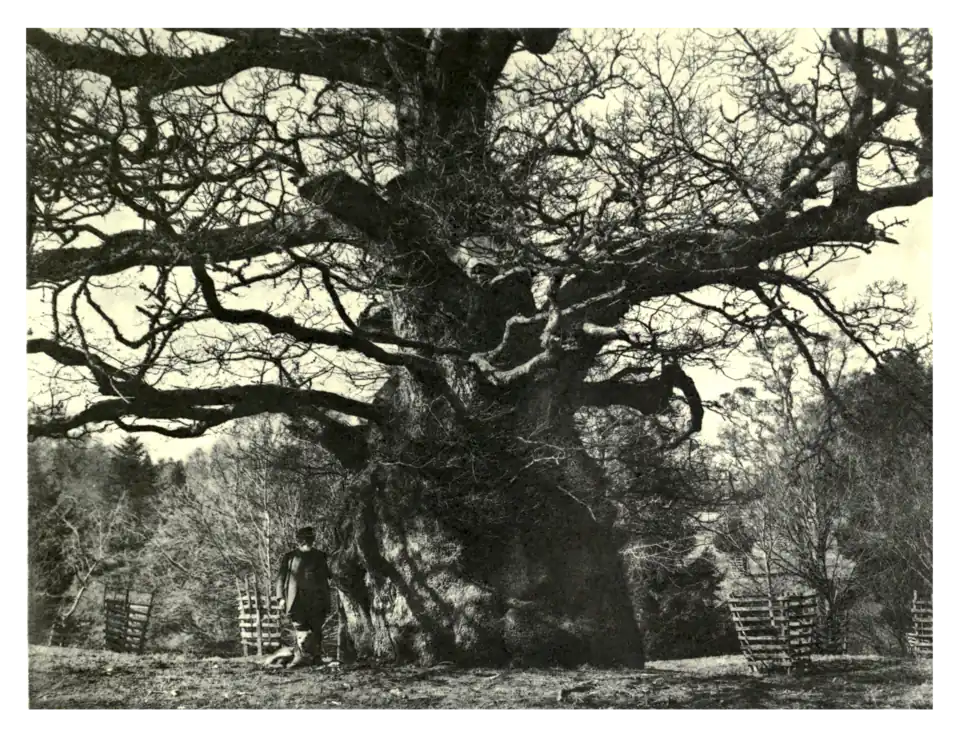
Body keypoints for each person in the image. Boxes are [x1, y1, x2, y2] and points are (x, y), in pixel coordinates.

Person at [274, 526, 331, 669]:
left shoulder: (320, 556)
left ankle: (316, 658)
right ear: (298, 540)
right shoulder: (290, 557)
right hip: (297, 599)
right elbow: (281, 578)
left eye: (309, 538)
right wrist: (280, 597)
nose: (306, 542)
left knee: (316, 629)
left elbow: (327, 577)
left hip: (317, 599)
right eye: (303, 538)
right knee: (300, 628)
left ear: (313, 539)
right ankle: (300, 658)